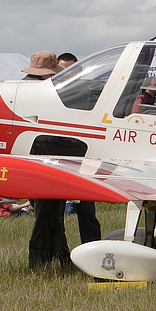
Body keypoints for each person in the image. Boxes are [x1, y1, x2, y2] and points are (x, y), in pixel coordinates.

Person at [22, 52, 71, 268]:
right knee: (46, 215)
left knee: (50, 214)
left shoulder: (22, 90)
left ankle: (60, 257)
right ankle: (39, 261)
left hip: (31, 161)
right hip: (43, 161)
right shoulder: (40, 93)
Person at [55, 52, 101, 245]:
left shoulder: (91, 92)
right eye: (62, 70)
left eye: (70, 70)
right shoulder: (54, 93)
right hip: (57, 153)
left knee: (86, 208)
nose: (66, 74)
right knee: (55, 210)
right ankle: (60, 250)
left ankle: (92, 245)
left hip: (83, 153)